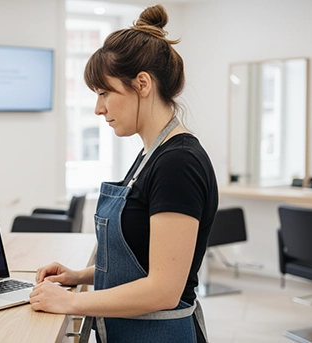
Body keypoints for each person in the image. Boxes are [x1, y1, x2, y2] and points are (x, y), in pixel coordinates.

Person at [29, 4, 218, 343]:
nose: (98, 108)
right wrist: (79, 276)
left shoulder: (178, 164)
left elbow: (163, 289)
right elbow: (142, 257)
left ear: (142, 83)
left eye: (104, 93)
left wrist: (73, 301)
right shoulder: (151, 155)